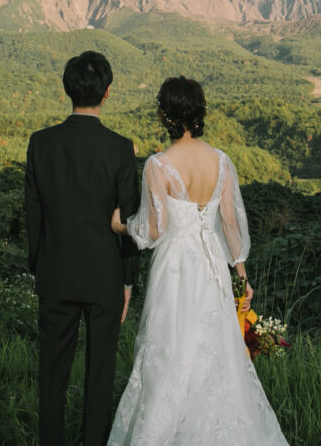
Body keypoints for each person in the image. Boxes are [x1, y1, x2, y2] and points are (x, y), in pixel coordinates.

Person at [107, 76, 288, 445]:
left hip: (175, 269)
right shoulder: (221, 161)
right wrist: (241, 275)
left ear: (166, 114)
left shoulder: (158, 165)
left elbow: (155, 229)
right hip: (213, 272)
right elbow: (231, 223)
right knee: (215, 356)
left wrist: (122, 226)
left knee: (171, 353)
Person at [25, 51, 141, 446]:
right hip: (105, 275)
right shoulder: (120, 148)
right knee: (100, 377)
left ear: (67, 89)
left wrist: (39, 266)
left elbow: (33, 214)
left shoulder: (40, 144)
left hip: (55, 273)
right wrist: (128, 282)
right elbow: (129, 221)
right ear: (107, 93)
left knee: (51, 378)